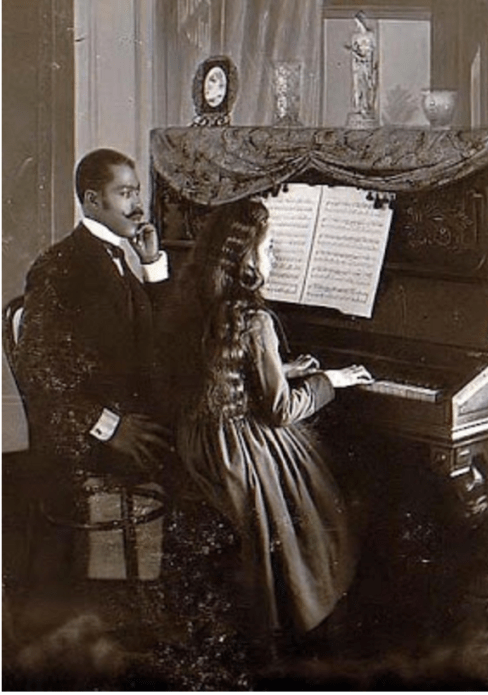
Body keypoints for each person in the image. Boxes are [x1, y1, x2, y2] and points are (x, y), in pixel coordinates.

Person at [173, 198, 373, 658]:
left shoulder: (198, 300)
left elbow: (224, 369)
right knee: (329, 494)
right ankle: (317, 622)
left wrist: (280, 368)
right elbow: (280, 411)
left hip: (202, 442)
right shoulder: (256, 318)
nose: (276, 257)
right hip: (240, 453)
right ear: (245, 258)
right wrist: (331, 380)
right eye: (269, 248)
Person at [15, 148, 172, 590]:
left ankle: (159, 582)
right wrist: (110, 427)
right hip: (85, 438)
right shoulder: (59, 266)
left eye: (137, 191)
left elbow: (159, 337)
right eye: (124, 193)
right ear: (92, 200)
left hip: (124, 414)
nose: (137, 204)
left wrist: (152, 266)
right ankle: (139, 592)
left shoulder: (118, 257)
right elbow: (38, 367)